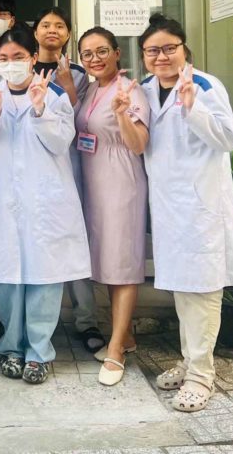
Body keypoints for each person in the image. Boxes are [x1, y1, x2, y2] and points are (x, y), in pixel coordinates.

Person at [0, 27, 91, 385]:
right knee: (6, 278)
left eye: (19, 57)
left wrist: (40, 111)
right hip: (6, 201)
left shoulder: (55, 95)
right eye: (4, 58)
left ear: (33, 58)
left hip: (45, 200)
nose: (11, 64)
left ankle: (38, 352)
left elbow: (60, 142)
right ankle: (12, 346)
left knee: (43, 278)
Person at [138, 14, 233, 413]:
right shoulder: (145, 89)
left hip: (201, 206)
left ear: (184, 49)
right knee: (183, 290)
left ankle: (202, 374)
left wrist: (192, 107)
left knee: (202, 289)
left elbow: (229, 138)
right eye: (153, 50)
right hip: (168, 206)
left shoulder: (205, 85)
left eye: (170, 48)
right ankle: (190, 360)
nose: (161, 56)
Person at [75, 27, 150, 387]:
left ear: (117, 53)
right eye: (87, 54)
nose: (95, 59)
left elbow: (138, 144)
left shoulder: (129, 90)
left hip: (121, 183)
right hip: (94, 183)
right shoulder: (92, 88)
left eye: (102, 51)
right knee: (108, 262)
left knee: (122, 266)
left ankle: (116, 348)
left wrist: (122, 115)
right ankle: (126, 334)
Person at [33, 7, 102, 352]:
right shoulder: (20, 68)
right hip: (31, 171)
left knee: (74, 240)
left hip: (69, 166)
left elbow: (82, 121)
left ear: (68, 34)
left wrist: (67, 86)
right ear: (35, 32)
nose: (52, 30)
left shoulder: (79, 73)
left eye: (59, 25)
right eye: (45, 24)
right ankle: (30, 323)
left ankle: (86, 319)